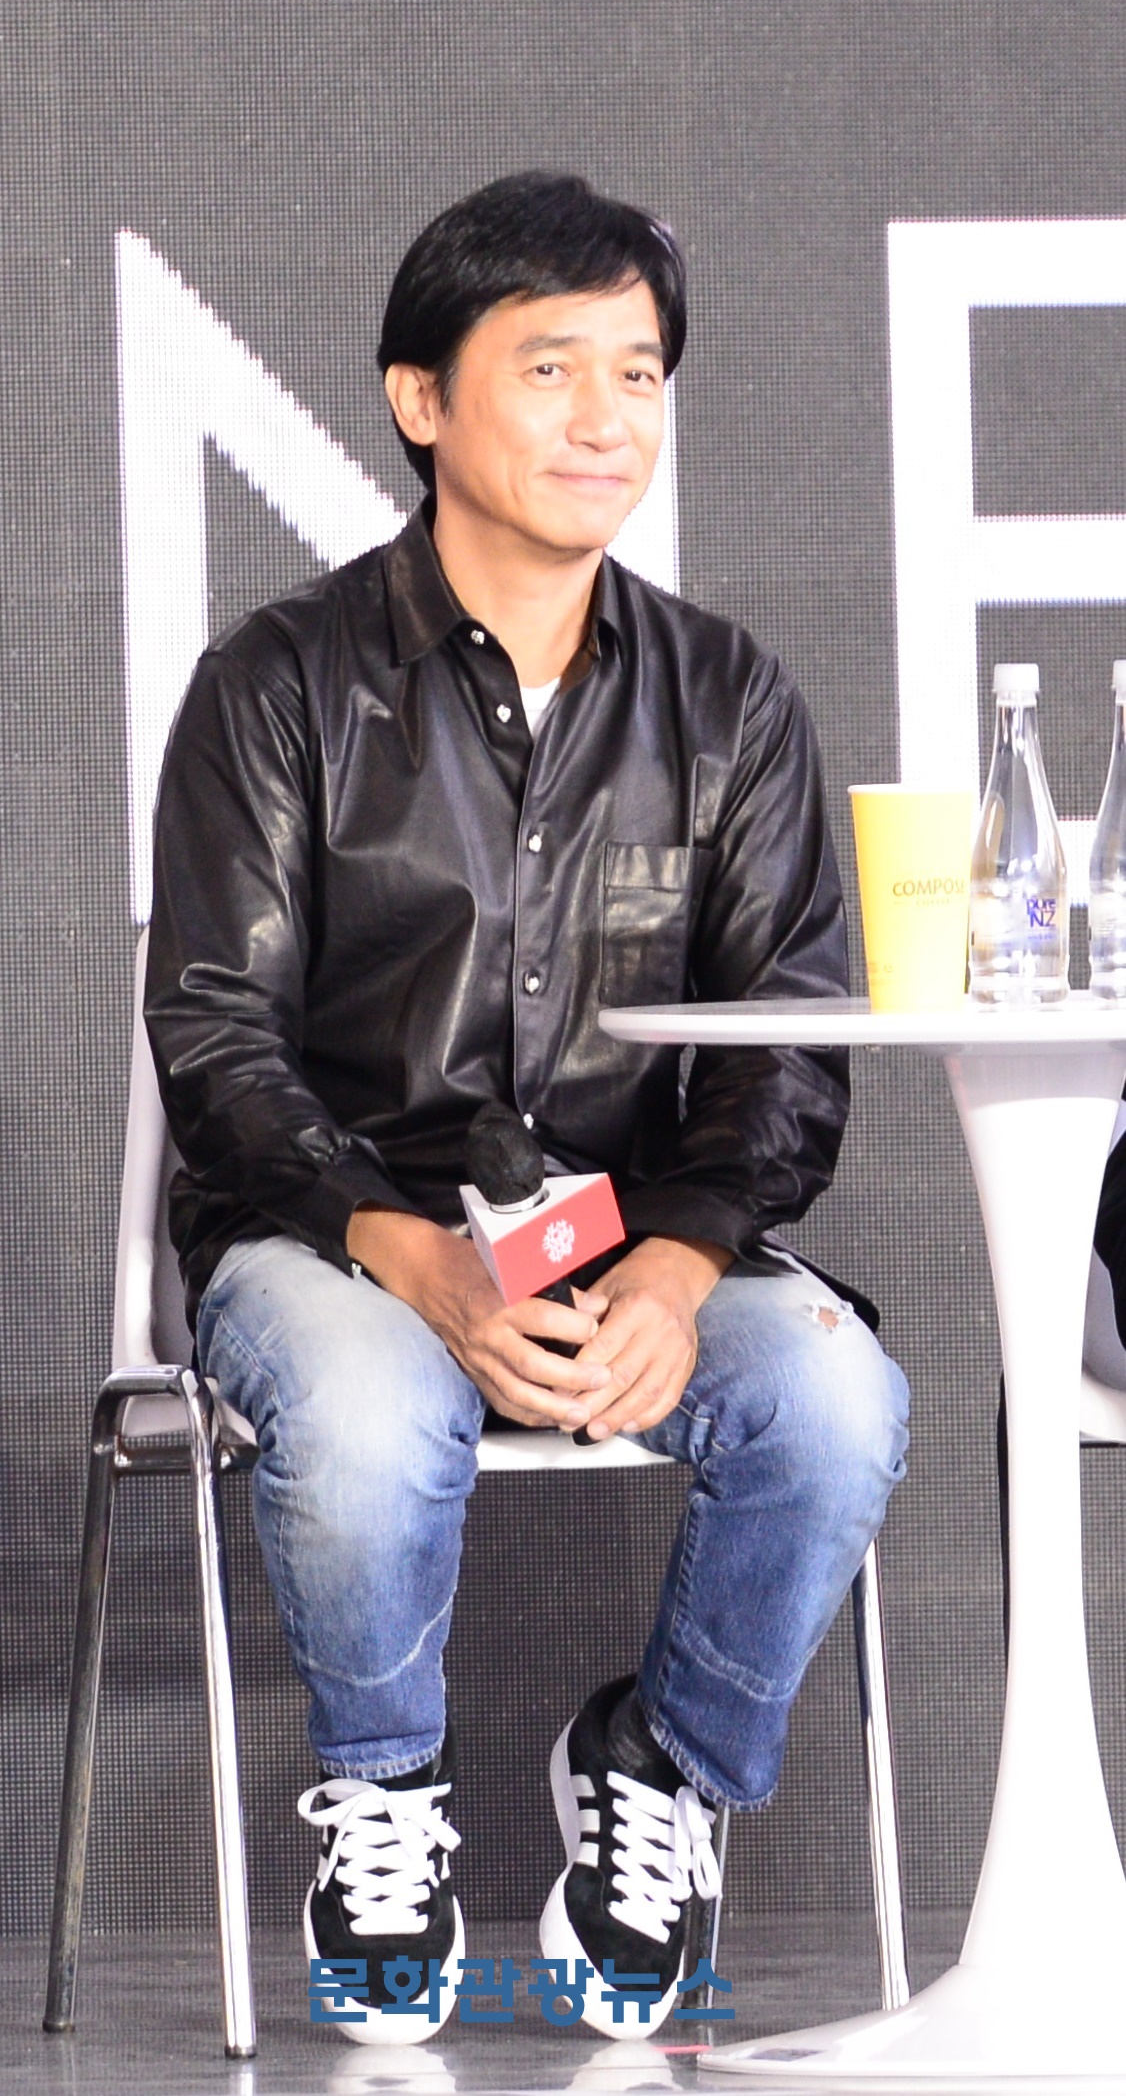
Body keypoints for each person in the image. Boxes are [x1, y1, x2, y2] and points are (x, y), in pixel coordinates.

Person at [145, 171, 909, 2047]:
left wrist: (679, 1264)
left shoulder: (728, 699)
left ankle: (657, 1765)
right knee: (364, 1401)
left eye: (637, 373)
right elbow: (218, 1037)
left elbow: (785, 1049)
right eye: (548, 365)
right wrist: (410, 1253)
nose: (604, 418)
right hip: (334, 1238)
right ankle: (384, 1806)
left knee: (832, 1396)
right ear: (419, 399)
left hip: (627, 1240)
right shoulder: (278, 684)